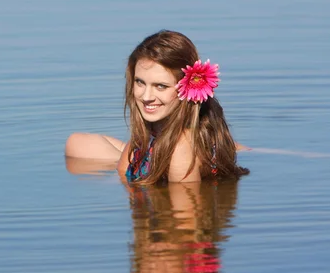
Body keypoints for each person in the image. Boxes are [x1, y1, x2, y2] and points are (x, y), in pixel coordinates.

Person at [65, 30, 249, 184]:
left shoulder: (180, 148)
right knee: (76, 143)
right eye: (140, 82)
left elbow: (185, 221)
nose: (146, 97)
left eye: (160, 86)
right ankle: (233, 147)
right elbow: (123, 173)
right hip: (160, 146)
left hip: (180, 153)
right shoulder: (148, 131)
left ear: (187, 88)